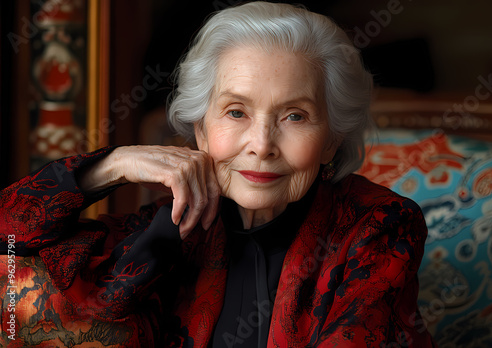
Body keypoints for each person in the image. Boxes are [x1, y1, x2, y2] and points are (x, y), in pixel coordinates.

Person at [0, 2, 436, 347]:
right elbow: (11, 240)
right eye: (236, 111)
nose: (262, 143)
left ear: (331, 140)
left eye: (295, 116)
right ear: (201, 131)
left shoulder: (380, 227)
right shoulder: (176, 228)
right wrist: (109, 167)